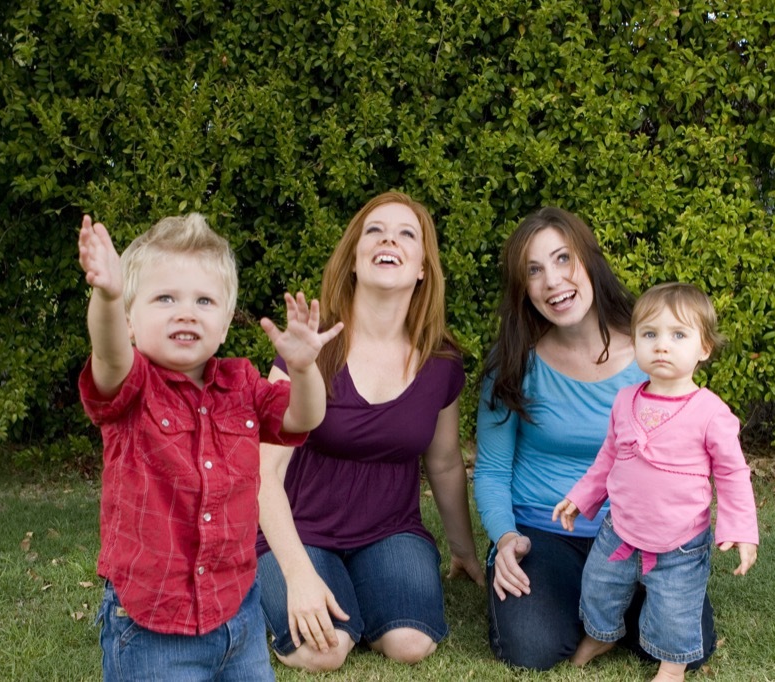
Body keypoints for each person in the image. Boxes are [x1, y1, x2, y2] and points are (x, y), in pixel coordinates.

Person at [77, 213, 342, 681]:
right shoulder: (131, 386)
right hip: (150, 627)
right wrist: (108, 294)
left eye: (204, 300)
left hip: (237, 616)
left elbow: (305, 418)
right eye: (165, 298)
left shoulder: (241, 383)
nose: (186, 312)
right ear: (131, 323)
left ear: (222, 326)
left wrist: (303, 370)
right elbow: (109, 349)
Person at [474, 207, 718, 671]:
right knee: (533, 647)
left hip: (640, 534)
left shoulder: (652, 349)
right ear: (523, 289)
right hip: (542, 532)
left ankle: (614, 611)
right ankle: (592, 609)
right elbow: (490, 469)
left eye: (563, 259)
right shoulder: (512, 362)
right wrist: (505, 538)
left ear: (589, 261)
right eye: (534, 270)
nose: (552, 281)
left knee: (690, 646)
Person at [256, 191, 485, 672]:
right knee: (325, 652)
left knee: (411, 644)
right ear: (355, 259)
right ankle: (280, 582)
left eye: (407, 234)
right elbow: (263, 472)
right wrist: (297, 574)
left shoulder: (441, 360)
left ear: (423, 267)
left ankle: (355, 588)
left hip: (389, 531)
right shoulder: (311, 346)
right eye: (375, 231)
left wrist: (463, 550)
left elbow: (443, 462)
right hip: (302, 530)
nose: (389, 240)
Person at [554, 282, 758, 681]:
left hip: (679, 543)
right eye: (650, 334)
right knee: (598, 587)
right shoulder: (626, 400)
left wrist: (742, 529)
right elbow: (608, 459)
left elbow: (733, 474)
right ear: (635, 343)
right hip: (620, 530)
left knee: (675, 608)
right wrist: (581, 497)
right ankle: (601, 634)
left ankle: (671, 666)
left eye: (678, 335)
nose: (662, 345)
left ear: (704, 348)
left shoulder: (709, 412)